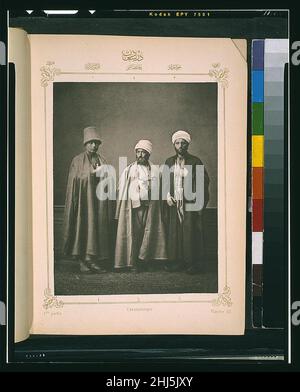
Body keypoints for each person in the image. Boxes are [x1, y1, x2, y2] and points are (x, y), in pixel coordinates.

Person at [62, 126, 113, 273]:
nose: (94, 146)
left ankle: (93, 259)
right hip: (84, 202)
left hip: (98, 203)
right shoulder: (77, 161)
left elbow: (109, 179)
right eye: (91, 142)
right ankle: (82, 260)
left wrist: (104, 174)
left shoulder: (102, 160)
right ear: (85, 144)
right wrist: (92, 173)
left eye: (96, 143)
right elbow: (76, 180)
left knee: (96, 229)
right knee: (83, 227)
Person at [114, 139, 167, 271]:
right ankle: (133, 263)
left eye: (143, 152)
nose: (140, 155)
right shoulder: (129, 170)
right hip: (134, 207)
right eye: (138, 152)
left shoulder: (156, 171)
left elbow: (160, 190)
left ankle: (145, 260)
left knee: (148, 233)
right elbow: (121, 189)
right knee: (135, 234)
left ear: (148, 154)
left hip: (150, 207)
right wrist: (119, 210)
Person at [163, 130, 209, 273]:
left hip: (190, 201)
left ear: (187, 144)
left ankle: (193, 263)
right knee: (175, 230)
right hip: (174, 201)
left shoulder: (195, 161)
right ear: (174, 145)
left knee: (191, 230)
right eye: (177, 143)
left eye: (183, 143)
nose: (180, 145)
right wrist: (167, 195)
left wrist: (195, 196)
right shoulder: (169, 162)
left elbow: (203, 181)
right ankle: (178, 261)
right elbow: (165, 181)